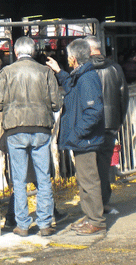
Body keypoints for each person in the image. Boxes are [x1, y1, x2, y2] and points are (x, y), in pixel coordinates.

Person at [0, 36, 64, 237]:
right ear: (33, 52)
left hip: (15, 128)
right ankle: (44, 223)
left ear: (15, 53)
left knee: (19, 178)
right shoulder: (45, 72)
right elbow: (56, 103)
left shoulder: (6, 72)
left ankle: (23, 224)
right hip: (41, 127)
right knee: (43, 177)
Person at [49, 39, 107, 236]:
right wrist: (59, 72)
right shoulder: (81, 76)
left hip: (85, 139)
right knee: (84, 180)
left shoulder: (87, 79)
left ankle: (96, 220)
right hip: (83, 139)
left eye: (68, 57)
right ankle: (90, 216)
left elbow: (93, 111)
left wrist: (76, 133)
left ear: (73, 59)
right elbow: (71, 87)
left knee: (89, 181)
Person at [84, 35, 128, 213]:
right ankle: (103, 201)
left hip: (90, 123)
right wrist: (119, 120)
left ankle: (92, 205)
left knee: (88, 166)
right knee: (104, 165)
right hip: (110, 123)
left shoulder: (84, 69)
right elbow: (123, 96)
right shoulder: (115, 68)